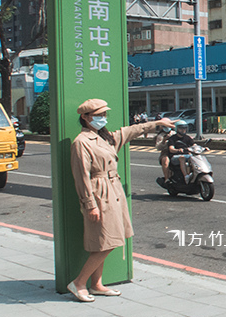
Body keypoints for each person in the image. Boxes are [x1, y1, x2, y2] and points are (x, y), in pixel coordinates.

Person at [68, 99, 174, 302]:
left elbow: (131, 130)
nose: (102, 118)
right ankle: (79, 283)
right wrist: (90, 205)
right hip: (100, 194)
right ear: (85, 117)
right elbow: (81, 177)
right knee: (108, 241)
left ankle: (96, 284)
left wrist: (157, 124)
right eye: (98, 115)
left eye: (104, 115)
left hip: (113, 190)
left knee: (104, 241)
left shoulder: (106, 138)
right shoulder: (81, 142)